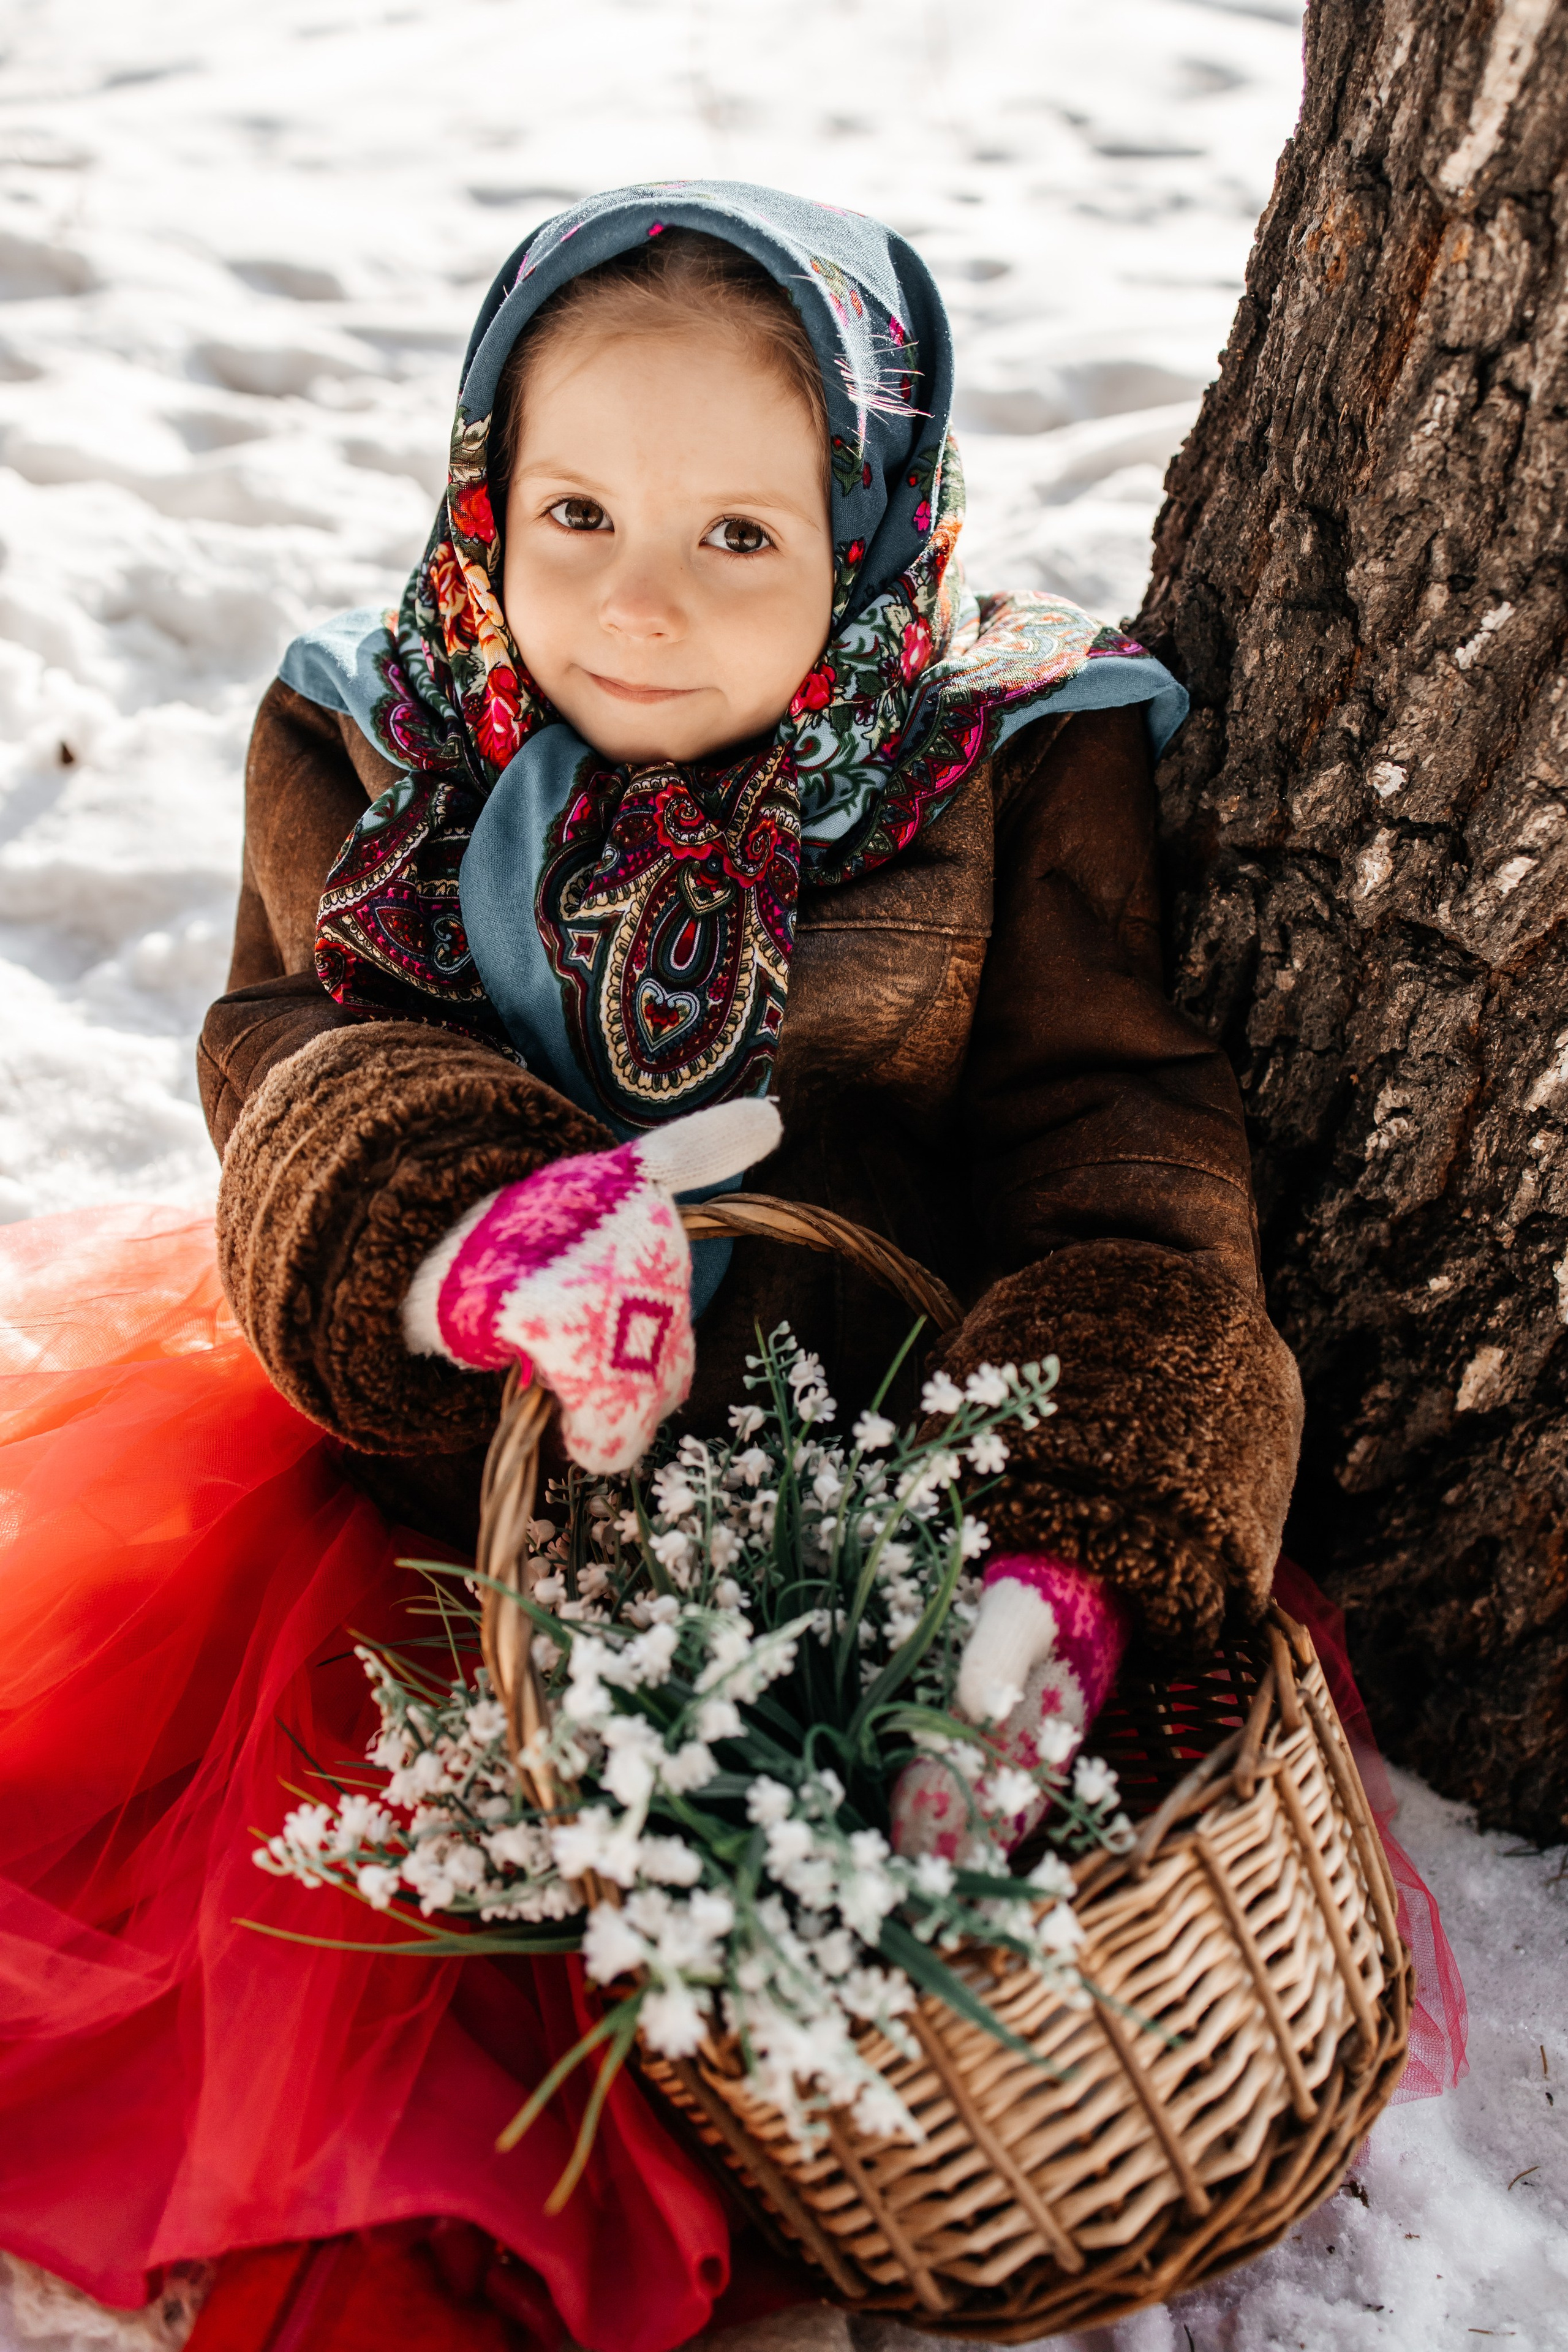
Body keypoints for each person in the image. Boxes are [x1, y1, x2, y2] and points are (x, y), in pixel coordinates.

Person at [0, 184, 1453, 2352]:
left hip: (871, 1480)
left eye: (740, 539)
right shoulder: (381, 741)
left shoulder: (1004, 765)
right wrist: (464, 1234)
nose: (634, 607)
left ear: (868, 534)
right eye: (573, 511)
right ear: (487, 482)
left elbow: (1118, 1145)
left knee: (840, 1996)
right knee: (385, 1958)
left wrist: (1077, 1538)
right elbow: (290, 1058)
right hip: (451, 1485)